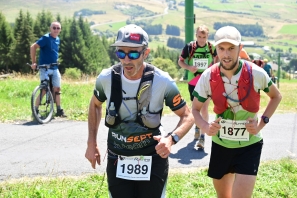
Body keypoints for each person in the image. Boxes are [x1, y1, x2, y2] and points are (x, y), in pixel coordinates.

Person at [85, 24, 194, 198]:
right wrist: (92, 143)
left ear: (146, 53)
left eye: (133, 53)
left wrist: (171, 140)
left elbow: (188, 116)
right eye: (121, 53)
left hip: (153, 156)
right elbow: (95, 105)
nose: (126, 60)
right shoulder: (106, 78)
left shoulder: (162, 81)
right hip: (117, 156)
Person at [192, 26, 282, 197]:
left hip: (249, 145)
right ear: (216, 49)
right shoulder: (208, 76)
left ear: (240, 49)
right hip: (221, 145)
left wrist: (262, 123)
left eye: (231, 48)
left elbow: (276, 96)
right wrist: (205, 126)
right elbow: (195, 109)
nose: (226, 54)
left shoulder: (256, 73)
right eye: (222, 49)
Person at [178, 25, 217, 149]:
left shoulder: (211, 47)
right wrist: (189, 68)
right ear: (196, 36)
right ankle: (197, 126)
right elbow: (180, 61)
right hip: (193, 82)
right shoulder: (190, 47)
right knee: (196, 108)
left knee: (204, 108)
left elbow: (217, 61)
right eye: (199, 37)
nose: (201, 40)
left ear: (207, 36)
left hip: (207, 82)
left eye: (204, 37)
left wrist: (213, 69)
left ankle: (202, 137)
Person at [30, 21, 66, 117]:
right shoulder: (46, 38)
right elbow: (33, 47)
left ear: (60, 30)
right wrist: (34, 62)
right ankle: (35, 110)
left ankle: (59, 110)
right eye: (54, 28)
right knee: (44, 89)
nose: (56, 30)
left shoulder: (57, 39)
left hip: (54, 67)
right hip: (44, 68)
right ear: (50, 28)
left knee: (57, 88)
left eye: (58, 28)